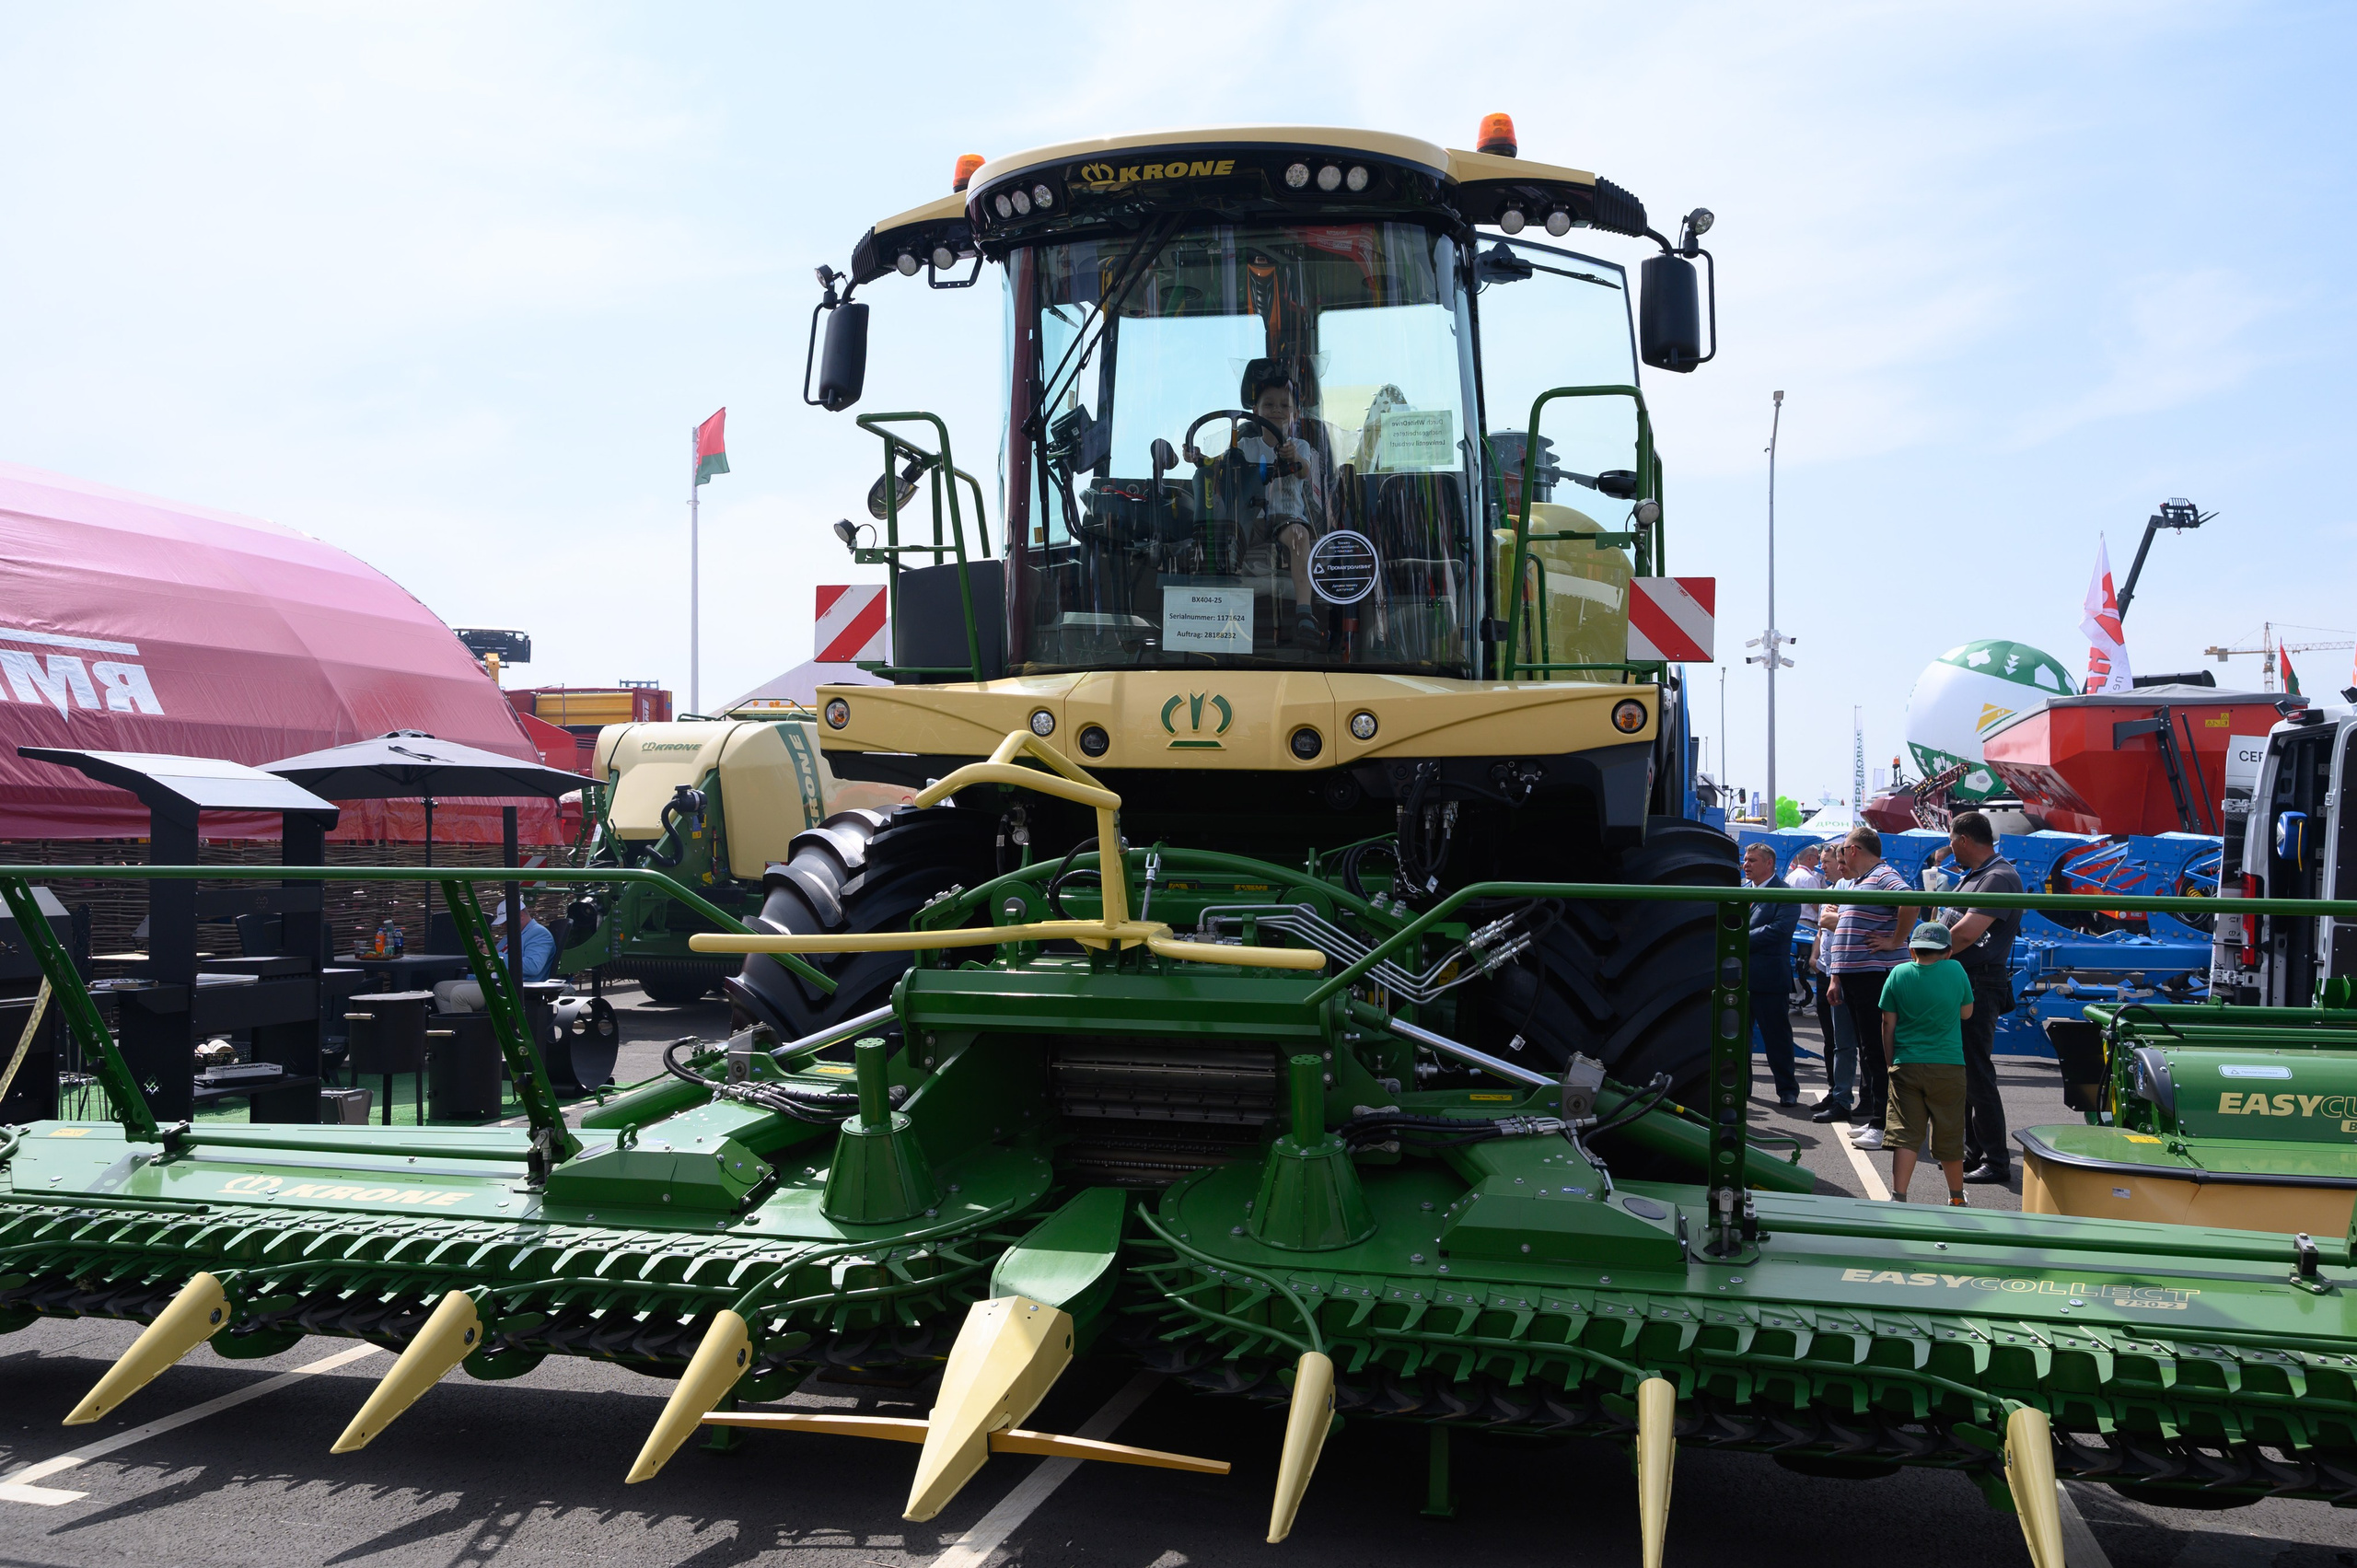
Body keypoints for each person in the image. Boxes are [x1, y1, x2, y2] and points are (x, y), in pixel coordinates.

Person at [1940, 810, 2024, 1185]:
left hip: (1979, 983)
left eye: (1950, 840)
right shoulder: (1978, 876)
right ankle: (1975, 1150)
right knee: (1966, 1073)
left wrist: (1923, 957)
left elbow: (1964, 935)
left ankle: (1996, 1159)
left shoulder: (1998, 877)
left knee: (1976, 1073)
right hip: (1965, 980)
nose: (1949, 847)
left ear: (1962, 839)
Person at [1222, 360, 1330, 645]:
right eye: (1269, 404)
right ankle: (1218, 609)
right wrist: (1197, 457)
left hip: (1286, 518)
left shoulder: (1301, 446)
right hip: (1250, 518)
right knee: (1224, 538)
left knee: (1299, 535)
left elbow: (1306, 471)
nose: (1277, 410)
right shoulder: (1245, 446)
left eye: (1285, 405)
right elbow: (1223, 472)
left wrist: (1293, 458)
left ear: (1295, 413)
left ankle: (1304, 612)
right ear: (1255, 411)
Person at [1824, 826, 1918, 1150]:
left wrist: (1895, 941)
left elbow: (1910, 901)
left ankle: (1884, 1125)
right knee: (1869, 1050)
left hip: (1873, 977)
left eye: (1843, 852)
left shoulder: (1882, 875)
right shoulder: (1862, 882)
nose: (1840, 860)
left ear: (1854, 849)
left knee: (1878, 1052)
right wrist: (1837, 975)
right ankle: (1879, 1118)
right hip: (1857, 978)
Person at [1878, 920, 1975, 1205]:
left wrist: (1890, 1061)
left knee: (1906, 1135)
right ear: (1947, 952)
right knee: (1950, 1132)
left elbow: (1887, 1023)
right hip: (1948, 1065)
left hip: (1906, 1062)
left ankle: (1899, 1196)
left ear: (1911, 951)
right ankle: (1956, 1197)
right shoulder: (1955, 970)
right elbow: (1967, 1013)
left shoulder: (1898, 973)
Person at [1744, 843, 1802, 1105]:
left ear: (1769, 864)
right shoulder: (1742, 891)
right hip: (1739, 979)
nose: (1746, 865)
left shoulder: (1785, 894)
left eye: (1752, 860)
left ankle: (1787, 1090)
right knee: (1736, 1039)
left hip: (1769, 980)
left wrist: (1736, 938)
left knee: (1776, 1037)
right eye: (1745, 860)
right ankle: (1740, 1088)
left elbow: (1779, 931)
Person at [1807, 842, 1859, 1121]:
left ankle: (1862, 1100)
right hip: (1829, 970)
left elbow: (1841, 923)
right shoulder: (1833, 891)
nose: (1831, 867)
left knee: (1857, 1042)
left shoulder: (1863, 888)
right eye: (1829, 862)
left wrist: (1836, 919)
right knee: (1835, 1040)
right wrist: (1815, 957)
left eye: (1835, 861)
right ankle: (1837, 1092)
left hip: (1850, 972)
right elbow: (1823, 928)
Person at [431, 901, 557, 1013]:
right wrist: (483, 949)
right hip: (497, 981)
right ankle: (455, 1030)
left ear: (520, 916)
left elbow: (534, 966)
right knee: (440, 989)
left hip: (514, 987)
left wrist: (495, 954)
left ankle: (470, 1037)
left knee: (459, 994)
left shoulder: (539, 934)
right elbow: (497, 956)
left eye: (505, 923)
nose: (503, 927)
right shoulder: (511, 935)